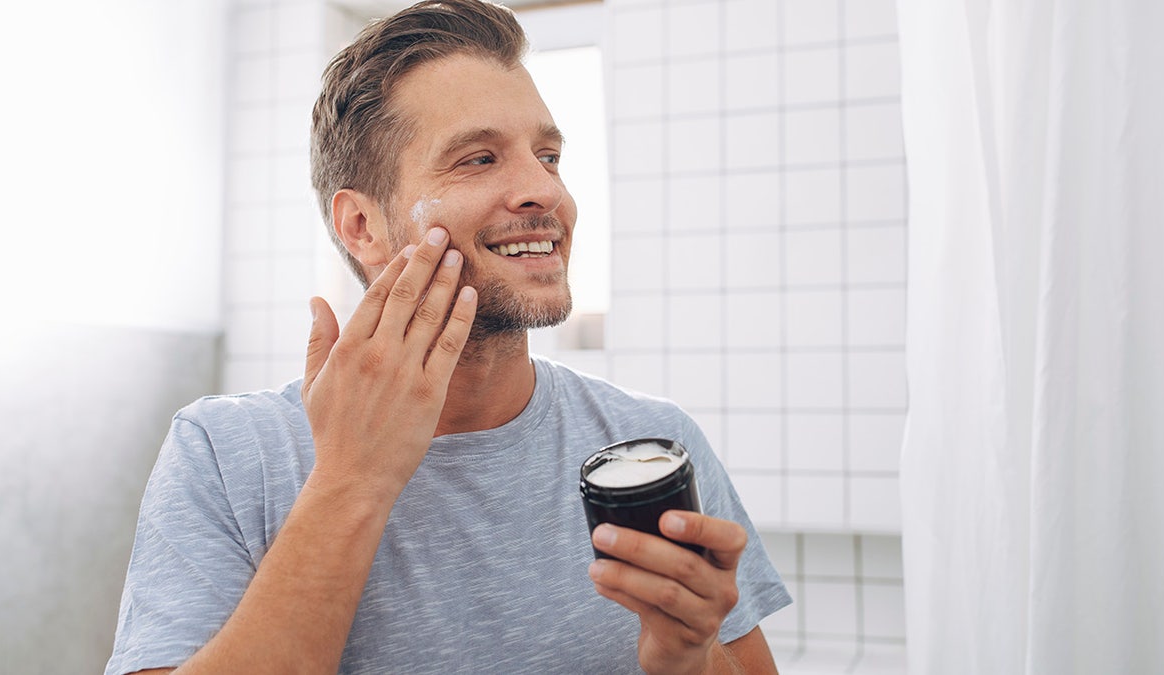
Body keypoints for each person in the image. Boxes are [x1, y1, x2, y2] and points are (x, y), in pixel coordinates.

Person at [104, 1, 791, 673]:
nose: (543, 191)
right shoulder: (225, 456)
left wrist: (687, 660)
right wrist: (351, 479)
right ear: (361, 227)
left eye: (548, 155)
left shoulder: (650, 443)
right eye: (479, 159)